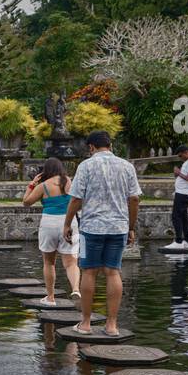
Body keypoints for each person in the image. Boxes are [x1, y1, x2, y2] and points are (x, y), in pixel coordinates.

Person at [62, 131, 141, 337]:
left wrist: (67, 224)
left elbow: (76, 199)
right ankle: (112, 325)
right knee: (113, 272)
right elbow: (134, 199)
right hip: (118, 228)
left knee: (89, 272)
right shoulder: (127, 166)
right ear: (110, 145)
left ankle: (86, 323)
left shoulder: (86, 166)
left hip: (90, 228)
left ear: (91, 147)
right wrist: (131, 227)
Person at [23, 157, 81, 307]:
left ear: (45, 171)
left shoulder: (43, 186)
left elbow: (26, 202)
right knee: (71, 263)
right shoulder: (68, 181)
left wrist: (32, 184)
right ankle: (75, 289)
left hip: (49, 224)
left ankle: (51, 298)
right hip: (69, 222)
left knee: (49, 263)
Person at [164, 145, 188, 251]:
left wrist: (178, 173)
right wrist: (178, 174)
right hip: (184, 192)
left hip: (183, 193)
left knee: (176, 216)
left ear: (186, 152)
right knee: (183, 217)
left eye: (180, 156)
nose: (180, 158)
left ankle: (178, 242)